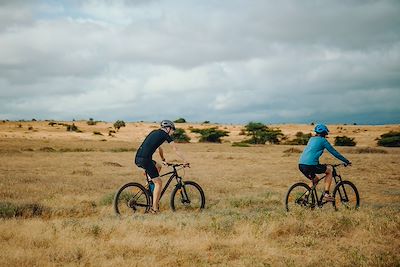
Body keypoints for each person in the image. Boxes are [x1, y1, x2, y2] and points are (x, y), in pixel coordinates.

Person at [134, 120, 188, 213]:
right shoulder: (164, 135)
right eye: (172, 130)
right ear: (168, 128)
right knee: (158, 182)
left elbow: (159, 148)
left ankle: (147, 186)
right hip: (146, 160)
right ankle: (154, 209)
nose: (172, 132)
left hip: (138, 158)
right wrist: (185, 160)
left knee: (158, 166)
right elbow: (175, 148)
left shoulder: (154, 132)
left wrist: (163, 160)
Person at [298, 124, 351, 201]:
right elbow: (334, 152)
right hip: (311, 165)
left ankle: (305, 197)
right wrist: (346, 161)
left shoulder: (311, 139)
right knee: (329, 171)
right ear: (325, 133)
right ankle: (326, 194)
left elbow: (312, 153)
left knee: (315, 180)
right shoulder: (323, 141)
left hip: (301, 164)